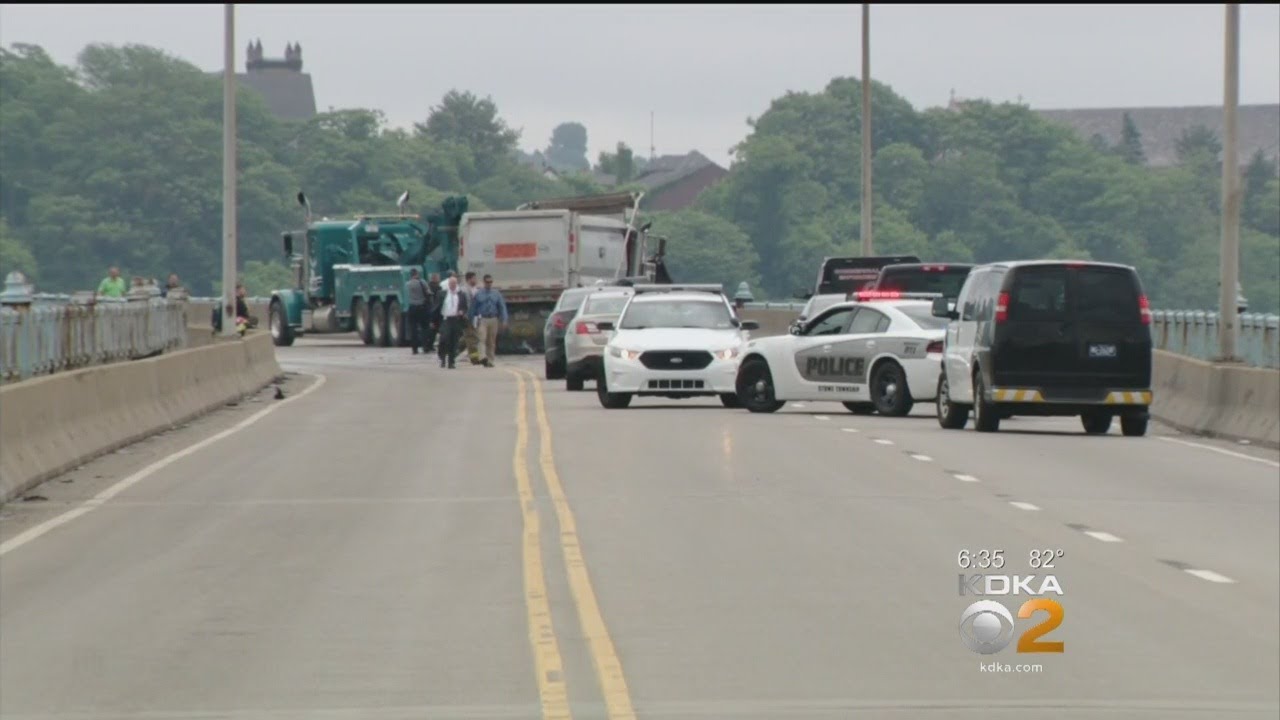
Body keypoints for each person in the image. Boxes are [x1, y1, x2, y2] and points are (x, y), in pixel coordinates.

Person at [470, 274, 509, 368]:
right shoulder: (478, 294)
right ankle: (483, 357)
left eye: (491, 282)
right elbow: (473, 308)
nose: (489, 284)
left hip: (493, 319)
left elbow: (502, 307)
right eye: (487, 282)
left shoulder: (496, 294)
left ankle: (490, 360)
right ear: (484, 282)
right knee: (481, 338)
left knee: (491, 341)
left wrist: (504, 320)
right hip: (483, 319)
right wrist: (471, 320)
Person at [436, 276, 470, 369]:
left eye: (454, 283)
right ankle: (442, 357)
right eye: (451, 283)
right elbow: (436, 308)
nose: (453, 285)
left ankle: (451, 362)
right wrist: (433, 321)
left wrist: (462, 311)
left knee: (454, 341)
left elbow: (465, 306)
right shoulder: (442, 294)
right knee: (444, 339)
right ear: (448, 284)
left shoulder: (461, 295)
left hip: (456, 319)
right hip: (446, 319)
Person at [406, 268, 433, 355]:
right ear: (417, 274)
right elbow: (428, 292)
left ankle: (414, 349)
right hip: (422, 307)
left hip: (412, 307)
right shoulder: (422, 282)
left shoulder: (408, 284)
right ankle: (425, 347)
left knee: (413, 328)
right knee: (425, 327)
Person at [461, 271, 483, 365]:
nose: (476, 280)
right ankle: (474, 359)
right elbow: (464, 304)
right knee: (472, 339)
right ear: (469, 279)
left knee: (471, 338)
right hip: (468, 317)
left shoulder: (476, 290)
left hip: (476, 317)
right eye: (474, 278)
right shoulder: (464, 290)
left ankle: (451, 351)